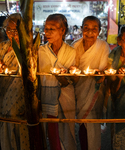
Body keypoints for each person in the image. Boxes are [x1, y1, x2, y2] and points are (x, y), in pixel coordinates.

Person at [38, 14, 76, 150]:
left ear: (63, 30)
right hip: (47, 97)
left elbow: (71, 80)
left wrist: (60, 76)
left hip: (65, 98)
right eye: (45, 28)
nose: (47, 32)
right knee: (52, 133)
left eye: (52, 29)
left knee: (67, 132)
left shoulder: (71, 52)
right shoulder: (40, 51)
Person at [71, 16, 110, 150]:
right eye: (86, 28)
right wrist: (74, 72)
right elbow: (73, 66)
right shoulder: (75, 45)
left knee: (92, 123)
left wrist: (99, 75)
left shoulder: (103, 46)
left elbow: (104, 70)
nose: (90, 32)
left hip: (95, 90)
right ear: (81, 29)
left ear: (99, 31)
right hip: (79, 89)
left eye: (94, 29)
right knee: (82, 123)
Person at [0, 13, 30, 150]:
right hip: (3, 89)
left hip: (18, 93)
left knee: (14, 119)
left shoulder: (26, 49)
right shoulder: (2, 46)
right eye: (8, 29)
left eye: (15, 30)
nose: (11, 33)